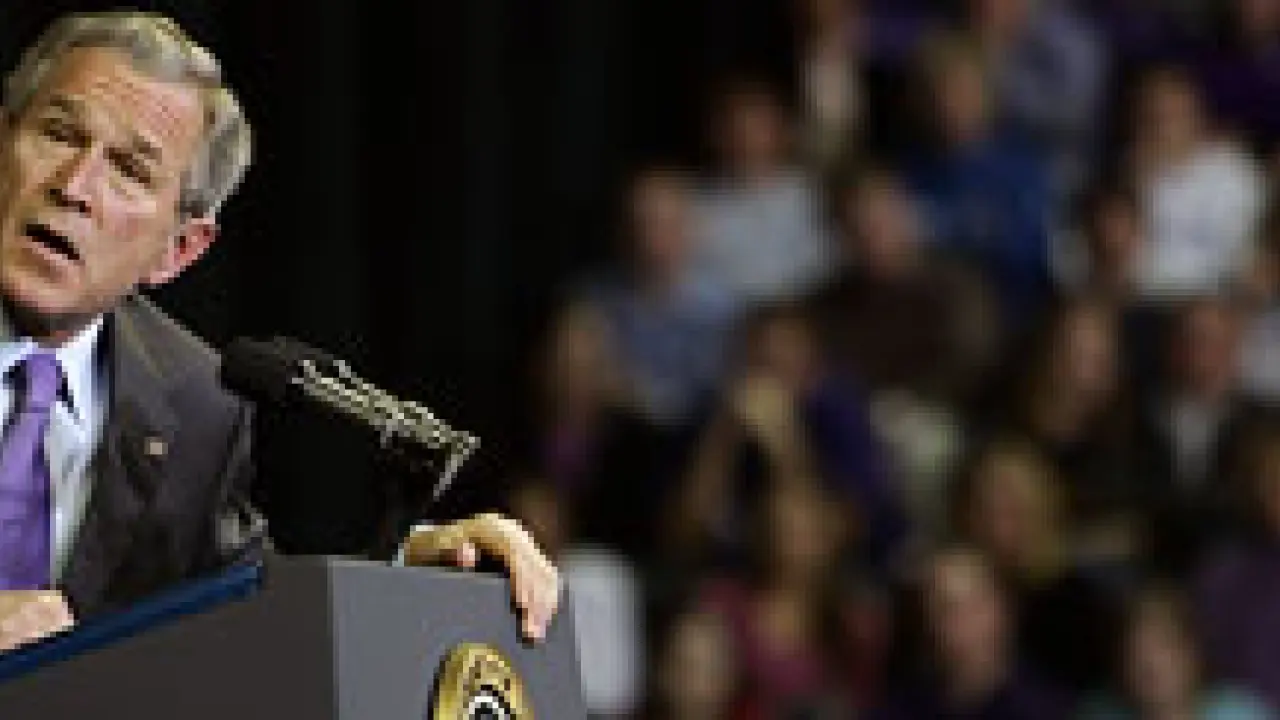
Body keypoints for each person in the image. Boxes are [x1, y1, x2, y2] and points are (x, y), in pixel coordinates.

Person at [0, 12, 558, 653]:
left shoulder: (195, 400)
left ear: (178, 251)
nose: (75, 187)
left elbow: (240, 610)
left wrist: (412, 567)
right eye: (59, 134)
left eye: (129, 170)